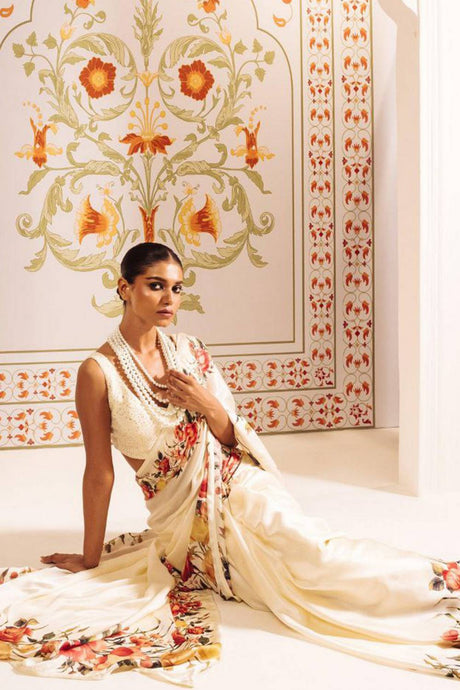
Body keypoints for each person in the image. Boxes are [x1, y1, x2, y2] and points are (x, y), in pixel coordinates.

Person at [1, 242, 460, 684]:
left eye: (177, 288)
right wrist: (90, 557)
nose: (169, 299)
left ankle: (437, 584)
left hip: (237, 484)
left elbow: (228, 435)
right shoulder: (97, 372)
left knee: (314, 552)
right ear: (124, 288)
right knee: (286, 577)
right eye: (155, 285)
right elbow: (99, 471)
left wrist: (206, 403)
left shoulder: (189, 350)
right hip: (183, 523)